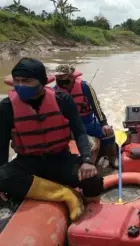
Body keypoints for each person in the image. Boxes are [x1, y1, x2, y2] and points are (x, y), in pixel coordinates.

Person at [0, 58, 103, 222]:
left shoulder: (62, 100)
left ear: (41, 81)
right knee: (1, 177)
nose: (20, 86)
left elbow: (80, 132)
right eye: (17, 81)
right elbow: (2, 143)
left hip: (60, 158)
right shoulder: (7, 106)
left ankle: (90, 219)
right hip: (27, 162)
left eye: (26, 81)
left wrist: (87, 160)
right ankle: (66, 194)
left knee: (93, 180)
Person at [53, 65, 117, 168]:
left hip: (88, 121)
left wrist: (104, 123)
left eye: (62, 77)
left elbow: (96, 106)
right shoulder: (54, 92)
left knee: (109, 133)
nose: (59, 80)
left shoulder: (84, 86)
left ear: (71, 76)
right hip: (69, 125)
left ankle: (112, 160)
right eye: (57, 77)